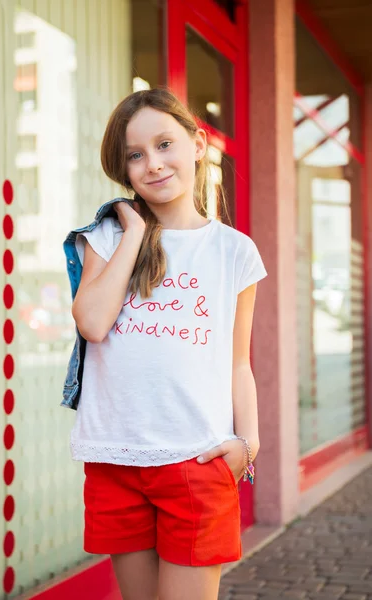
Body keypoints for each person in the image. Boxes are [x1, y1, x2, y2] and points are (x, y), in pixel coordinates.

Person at [69, 88, 267, 600]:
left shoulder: (234, 251)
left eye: (164, 144)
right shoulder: (110, 237)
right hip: (116, 460)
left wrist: (248, 445)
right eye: (135, 155)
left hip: (195, 460)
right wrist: (134, 230)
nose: (152, 164)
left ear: (197, 144)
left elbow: (237, 362)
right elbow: (91, 322)